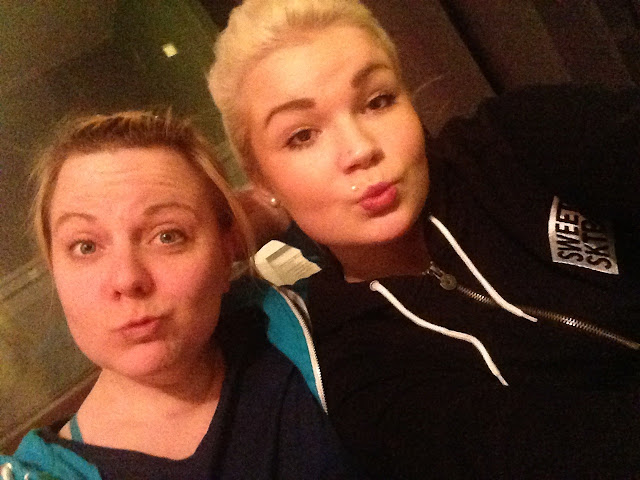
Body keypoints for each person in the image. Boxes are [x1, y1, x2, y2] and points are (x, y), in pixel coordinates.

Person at [208, 0, 640, 478]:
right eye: (302, 136)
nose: (360, 149)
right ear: (261, 180)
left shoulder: (514, 140)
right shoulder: (362, 368)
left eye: (377, 101)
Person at [0, 111, 366, 480]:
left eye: (168, 236)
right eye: (85, 246)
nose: (127, 279)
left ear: (228, 249)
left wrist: (273, 214)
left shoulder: (303, 327)